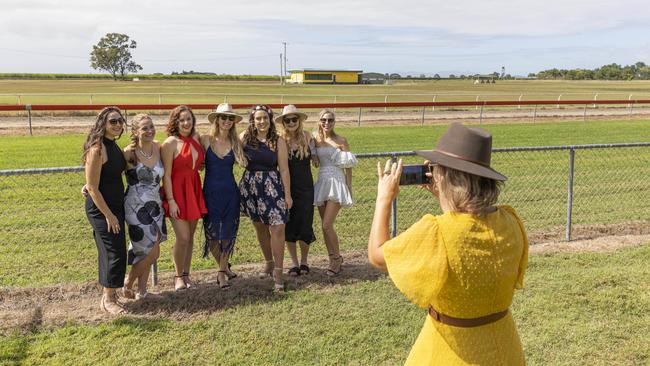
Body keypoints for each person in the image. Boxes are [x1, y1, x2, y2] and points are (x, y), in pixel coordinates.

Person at [368, 123, 529, 365]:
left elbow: (378, 256)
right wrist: (444, 197)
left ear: (448, 176)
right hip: (505, 349)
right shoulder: (510, 220)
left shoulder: (437, 231)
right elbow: (471, 224)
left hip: (451, 352)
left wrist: (383, 199)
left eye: (435, 168)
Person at [239, 105, 292, 291]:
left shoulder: (278, 141)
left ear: (270, 120)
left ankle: (278, 271)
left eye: (265, 118)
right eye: (258, 118)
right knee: (260, 227)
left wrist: (287, 194)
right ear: (252, 121)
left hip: (273, 186)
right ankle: (269, 263)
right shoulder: (245, 138)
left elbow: (284, 169)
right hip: (251, 186)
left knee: (278, 227)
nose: (262, 122)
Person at [82, 106, 127, 314]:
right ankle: (107, 299)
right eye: (113, 121)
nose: (118, 125)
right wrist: (109, 216)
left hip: (115, 206)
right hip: (102, 210)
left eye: (120, 121)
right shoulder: (97, 149)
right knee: (113, 251)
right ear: (103, 124)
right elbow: (92, 187)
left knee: (113, 250)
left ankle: (111, 295)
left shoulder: (114, 147)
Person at [161, 105, 207, 291]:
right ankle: (178, 276)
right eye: (182, 120)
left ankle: (187, 275)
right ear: (175, 122)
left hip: (194, 189)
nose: (186, 123)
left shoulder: (196, 138)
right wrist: (171, 200)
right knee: (182, 237)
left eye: (189, 119)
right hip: (177, 192)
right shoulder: (170, 143)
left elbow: (199, 163)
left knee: (191, 237)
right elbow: (167, 175)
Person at [201, 103, 247, 289]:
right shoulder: (204, 139)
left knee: (228, 233)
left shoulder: (237, 142)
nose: (227, 121)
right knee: (212, 235)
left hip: (230, 193)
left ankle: (221, 272)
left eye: (230, 118)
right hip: (210, 192)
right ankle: (223, 266)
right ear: (217, 119)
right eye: (223, 117)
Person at [122, 114, 167, 299]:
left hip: (155, 205)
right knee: (150, 251)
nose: (149, 131)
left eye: (151, 126)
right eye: (144, 128)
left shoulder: (159, 147)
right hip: (135, 207)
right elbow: (111, 175)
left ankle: (142, 291)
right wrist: (88, 185)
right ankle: (128, 283)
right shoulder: (128, 153)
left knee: (150, 250)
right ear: (135, 132)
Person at [313, 109, 357, 276]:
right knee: (324, 227)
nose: (327, 123)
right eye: (323, 120)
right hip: (322, 181)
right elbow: (312, 156)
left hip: (337, 182)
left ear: (334, 122)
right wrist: (313, 155)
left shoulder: (341, 141)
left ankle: (337, 258)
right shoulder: (315, 140)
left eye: (330, 120)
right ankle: (332, 258)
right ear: (319, 121)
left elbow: (348, 167)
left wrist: (349, 186)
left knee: (327, 224)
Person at [276, 105, 318, 276]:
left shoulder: (308, 137)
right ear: (283, 123)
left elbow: (317, 154)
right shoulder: (280, 140)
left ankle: (304, 261)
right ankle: (293, 263)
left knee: (305, 225)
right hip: (286, 188)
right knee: (290, 226)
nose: (292, 122)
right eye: (288, 120)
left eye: (295, 119)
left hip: (306, 188)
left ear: (299, 121)